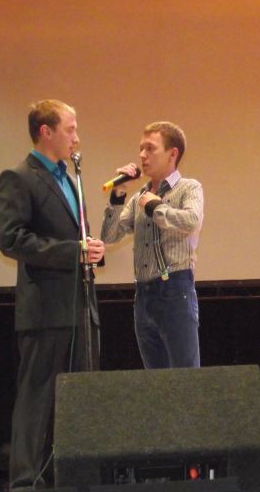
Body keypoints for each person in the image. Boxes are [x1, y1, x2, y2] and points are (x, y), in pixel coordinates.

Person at [0, 100, 105, 490]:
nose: (76, 137)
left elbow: (74, 237)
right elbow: (11, 239)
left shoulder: (70, 178)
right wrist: (72, 252)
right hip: (45, 310)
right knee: (37, 400)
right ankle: (26, 483)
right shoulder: (19, 177)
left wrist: (91, 250)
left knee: (81, 401)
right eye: (70, 129)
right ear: (46, 131)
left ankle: (75, 478)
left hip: (80, 307)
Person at [101, 121, 203, 369]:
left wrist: (156, 207)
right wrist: (118, 195)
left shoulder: (188, 188)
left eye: (150, 148)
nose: (142, 155)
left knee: (185, 377)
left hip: (175, 289)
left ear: (172, 153)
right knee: (154, 381)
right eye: (141, 149)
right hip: (143, 294)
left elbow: (191, 221)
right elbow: (109, 237)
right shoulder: (139, 197)